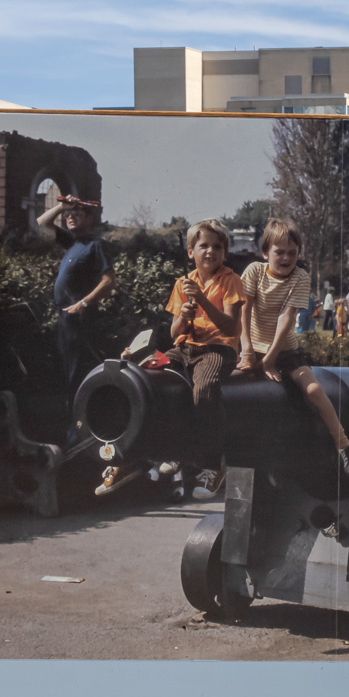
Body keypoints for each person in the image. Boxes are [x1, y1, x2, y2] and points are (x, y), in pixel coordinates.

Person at [108, 219, 245, 498]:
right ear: (190, 252)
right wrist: (183, 314)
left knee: (204, 389)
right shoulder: (183, 284)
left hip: (218, 349)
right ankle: (137, 456)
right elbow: (174, 333)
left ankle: (211, 465)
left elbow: (232, 328)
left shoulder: (231, 281)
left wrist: (204, 303)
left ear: (225, 252)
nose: (210, 251)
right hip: (186, 347)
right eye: (203, 246)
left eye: (217, 246)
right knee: (146, 377)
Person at [237, 219, 349, 477]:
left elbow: (286, 318)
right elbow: (244, 309)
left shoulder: (300, 277)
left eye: (292, 253)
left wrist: (269, 360)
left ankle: (344, 447)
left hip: (285, 352)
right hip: (253, 348)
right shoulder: (253, 272)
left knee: (315, 389)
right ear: (265, 253)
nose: (286, 257)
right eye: (279, 251)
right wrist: (247, 350)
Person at [38, 193, 114, 392]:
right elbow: (42, 222)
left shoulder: (95, 245)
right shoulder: (71, 242)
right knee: (65, 372)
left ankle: (79, 421)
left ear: (89, 219)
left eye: (77, 214)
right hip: (64, 318)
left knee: (77, 373)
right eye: (68, 215)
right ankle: (70, 417)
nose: (70, 217)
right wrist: (62, 207)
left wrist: (84, 303)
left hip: (80, 319)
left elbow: (109, 281)